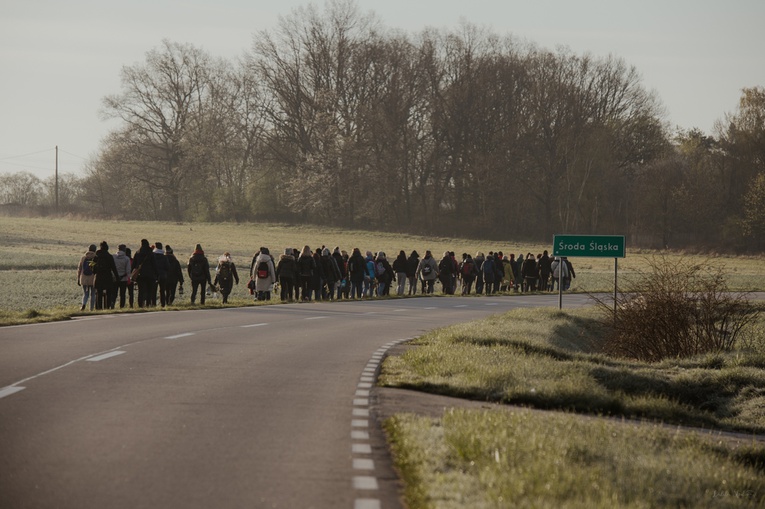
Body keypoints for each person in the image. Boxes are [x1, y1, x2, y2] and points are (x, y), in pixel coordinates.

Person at [93, 241, 119, 309]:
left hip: (98, 276)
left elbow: (91, 265)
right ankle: (107, 307)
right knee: (108, 293)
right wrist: (117, 277)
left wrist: (94, 272)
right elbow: (113, 267)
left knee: (99, 293)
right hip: (107, 276)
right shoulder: (109, 256)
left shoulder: (96, 256)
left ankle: (99, 308)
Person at [132, 239, 158, 308]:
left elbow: (134, 265)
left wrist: (132, 273)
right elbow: (154, 264)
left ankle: (140, 305)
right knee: (149, 290)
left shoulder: (137, 253)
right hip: (150, 275)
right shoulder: (151, 253)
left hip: (140, 275)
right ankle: (148, 304)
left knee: (141, 291)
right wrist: (157, 274)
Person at [77, 244, 97, 311]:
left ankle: (83, 304)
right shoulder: (96, 258)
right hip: (93, 279)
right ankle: (91, 308)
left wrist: (78, 278)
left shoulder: (83, 258)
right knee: (93, 294)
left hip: (84, 278)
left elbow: (79, 269)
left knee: (85, 294)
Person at [113, 244, 132, 309]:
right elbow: (128, 270)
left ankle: (112, 305)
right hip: (123, 279)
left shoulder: (113, 257)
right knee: (122, 294)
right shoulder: (126, 258)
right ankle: (122, 306)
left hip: (115, 278)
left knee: (114, 293)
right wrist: (127, 276)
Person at [153, 242, 170, 307]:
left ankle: (153, 304)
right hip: (163, 275)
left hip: (154, 275)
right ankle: (163, 304)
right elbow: (168, 267)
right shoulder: (164, 257)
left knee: (153, 290)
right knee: (162, 291)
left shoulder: (153, 256)